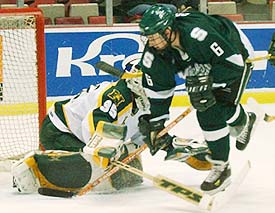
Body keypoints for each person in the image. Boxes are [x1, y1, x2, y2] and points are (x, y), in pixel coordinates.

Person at [11, 62, 209, 195]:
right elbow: (95, 119)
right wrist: (103, 147)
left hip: (80, 133)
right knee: (94, 164)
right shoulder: (118, 94)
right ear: (137, 82)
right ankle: (31, 168)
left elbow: (152, 135)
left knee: (126, 164)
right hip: (59, 130)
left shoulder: (145, 102)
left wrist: (185, 151)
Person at [137, 5, 262, 195]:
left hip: (236, 53)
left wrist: (209, 82)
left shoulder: (199, 35)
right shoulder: (154, 53)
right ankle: (245, 120)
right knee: (210, 106)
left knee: (211, 108)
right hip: (202, 63)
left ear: (168, 31)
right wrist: (156, 123)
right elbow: (158, 90)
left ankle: (221, 168)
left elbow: (234, 63)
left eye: (154, 37)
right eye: (148, 37)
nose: (151, 42)